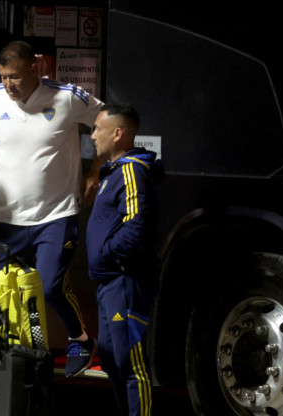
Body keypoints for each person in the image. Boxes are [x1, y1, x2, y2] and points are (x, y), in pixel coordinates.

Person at [0, 40, 104, 415]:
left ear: (36, 68)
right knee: (3, 301)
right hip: (8, 218)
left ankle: (80, 339)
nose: (9, 85)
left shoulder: (68, 97)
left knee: (49, 283)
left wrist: (95, 169)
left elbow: (107, 123)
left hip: (56, 214)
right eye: (4, 77)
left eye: (16, 77)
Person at [86, 103, 163, 416]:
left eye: (97, 129)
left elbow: (137, 225)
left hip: (124, 280)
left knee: (131, 364)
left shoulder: (131, 171)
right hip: (109, 282)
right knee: (113, 361)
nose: (92, 136)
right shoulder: (114, 172)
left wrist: (107, 257)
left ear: (117, 134)